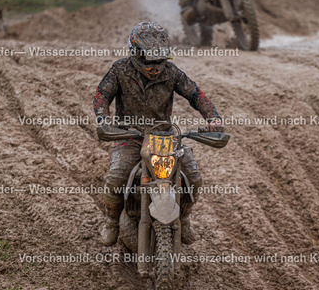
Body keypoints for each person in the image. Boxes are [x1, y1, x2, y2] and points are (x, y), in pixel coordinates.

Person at [93, 21, 224, 246]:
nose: (154, 67)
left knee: (193, 177)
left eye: (159, 60)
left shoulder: (172, 72)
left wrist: (213, 118)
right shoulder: (120, 70)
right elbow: (101, 96)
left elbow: (196, 95)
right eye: (149, 61)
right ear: (135, 54)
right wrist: (103, 118)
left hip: (164, 137)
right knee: (116, 178)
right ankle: (111, 221)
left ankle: (184, 218)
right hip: (130, 137)